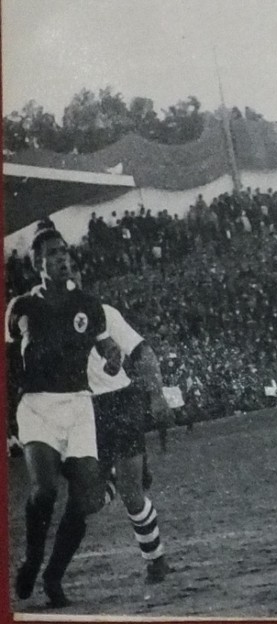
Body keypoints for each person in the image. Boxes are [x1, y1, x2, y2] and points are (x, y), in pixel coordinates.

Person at [6, 220, 122, 607]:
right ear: (37, 262)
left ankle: (54, 576)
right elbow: (7, 365)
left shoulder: (87, 305)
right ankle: (33, 558)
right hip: (37, 405)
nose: (61, 259)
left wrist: (112, 358)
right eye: (52, 254)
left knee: (87, 494)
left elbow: (107, 347)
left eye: (64, 253)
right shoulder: (21, 307)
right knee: (44, 490)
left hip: (77, 404)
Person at [86, 295, 175, 583]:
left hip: (120, 402)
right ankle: (115, 479)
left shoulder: (102, 313)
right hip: (81, 408)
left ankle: (155, 560)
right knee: (89, 501)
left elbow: (142, 351)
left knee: (132, 492)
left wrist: (157, 393)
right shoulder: (46, 316)